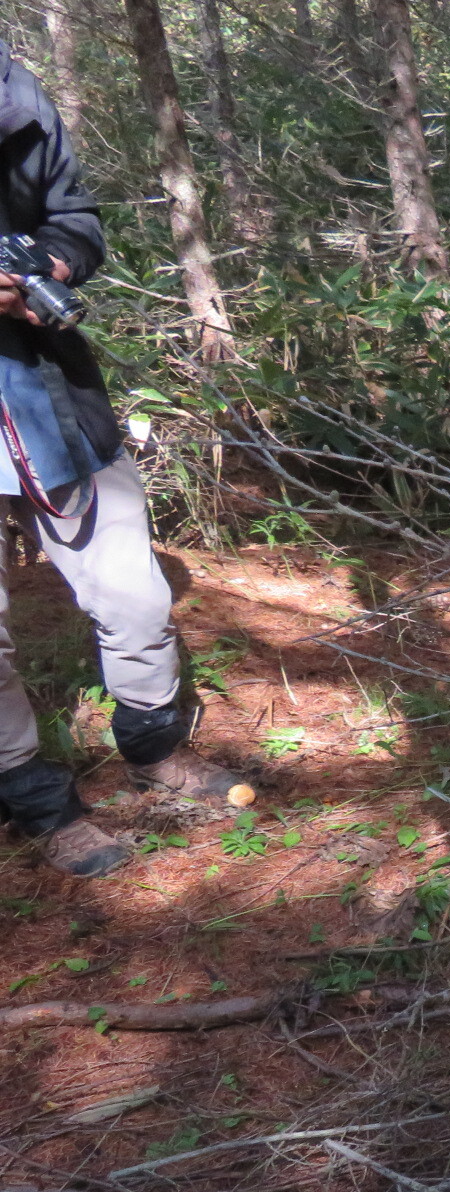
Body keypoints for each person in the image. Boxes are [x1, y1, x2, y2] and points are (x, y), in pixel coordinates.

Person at [0, 42, 251, 878]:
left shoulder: (16, 93)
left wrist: (48, 263)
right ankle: (35, 796)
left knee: (133, 590)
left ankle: (154, 748)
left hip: (46, 392)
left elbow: (74, 215)